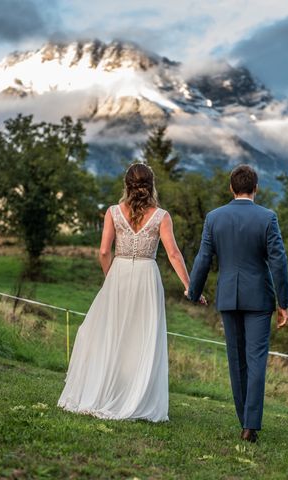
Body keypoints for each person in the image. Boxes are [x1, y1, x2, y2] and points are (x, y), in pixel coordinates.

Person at [58, 163, 202, 421]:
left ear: (126, 185)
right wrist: (190, 285)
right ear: (151, 185)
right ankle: (134, 397)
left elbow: (104, 251)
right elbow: (173, 254)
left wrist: (110, 277)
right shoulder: (162, 216)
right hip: (147, 276)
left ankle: (106, 392)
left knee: (112, 335)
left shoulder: (113, 212)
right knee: (142, 337)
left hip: (119, 274)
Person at [187, 164, 288, 443]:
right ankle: (250, 424)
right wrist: (284, 303)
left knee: (236, 361)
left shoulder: (214, 217)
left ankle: (244, 419)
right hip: (259, 298)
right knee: (256, 360)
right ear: (256, 188)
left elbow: (203, 259)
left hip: (228, 297)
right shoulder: (268, 217)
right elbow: (279, 262)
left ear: (231, 188)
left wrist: (194, 292)